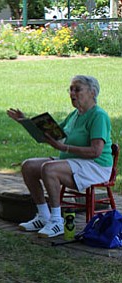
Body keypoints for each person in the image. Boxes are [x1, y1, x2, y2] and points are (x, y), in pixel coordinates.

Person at [7, 75, 113, 238]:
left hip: (94, 165)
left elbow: (96, 151)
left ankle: (57, 221)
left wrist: (64, 147)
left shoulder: (98, 116)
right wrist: (25, 121)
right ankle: (43, 216)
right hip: (72, 161)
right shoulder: (75, 114)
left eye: (77, 89)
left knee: (49, 169)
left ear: (92, 93)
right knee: (28, 166)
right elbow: (53, 133)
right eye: (71, 89)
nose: (72, 93)